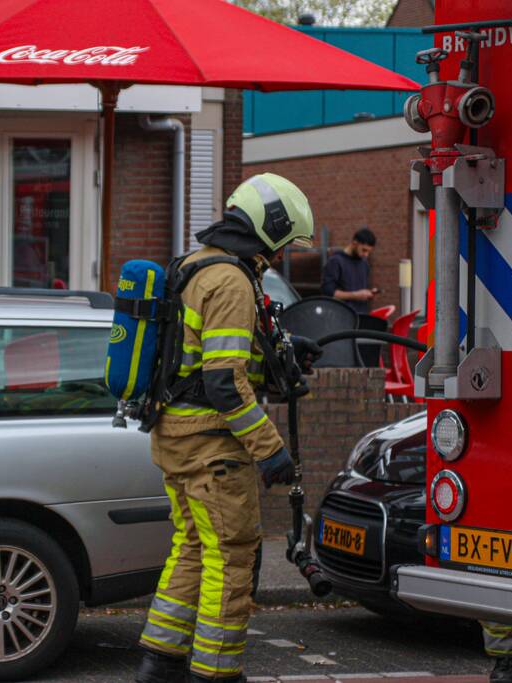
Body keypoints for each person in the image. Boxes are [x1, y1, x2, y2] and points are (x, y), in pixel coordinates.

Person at [135, 173, 321, 683]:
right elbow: (223, 381)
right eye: (281, 244)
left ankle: (159, 661)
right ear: (269, 227)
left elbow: (201, 354)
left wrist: (288, 347)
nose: (280, 256)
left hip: (175, 436)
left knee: (191, 546)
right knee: (232, 558)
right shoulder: (233, 280)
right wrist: (270, 450)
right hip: (213, 446)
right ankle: (216, 673)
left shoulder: (195, 266)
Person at [321, 228, 378, 314]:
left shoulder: (364, 263)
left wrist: (369, 293)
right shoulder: (335, 261)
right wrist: (356, 295)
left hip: (362, 316)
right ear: (354, 243)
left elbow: (360, 289)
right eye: (364, 250)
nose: (366, 255)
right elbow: (328, 293)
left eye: (369, 252)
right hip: (342, 318)